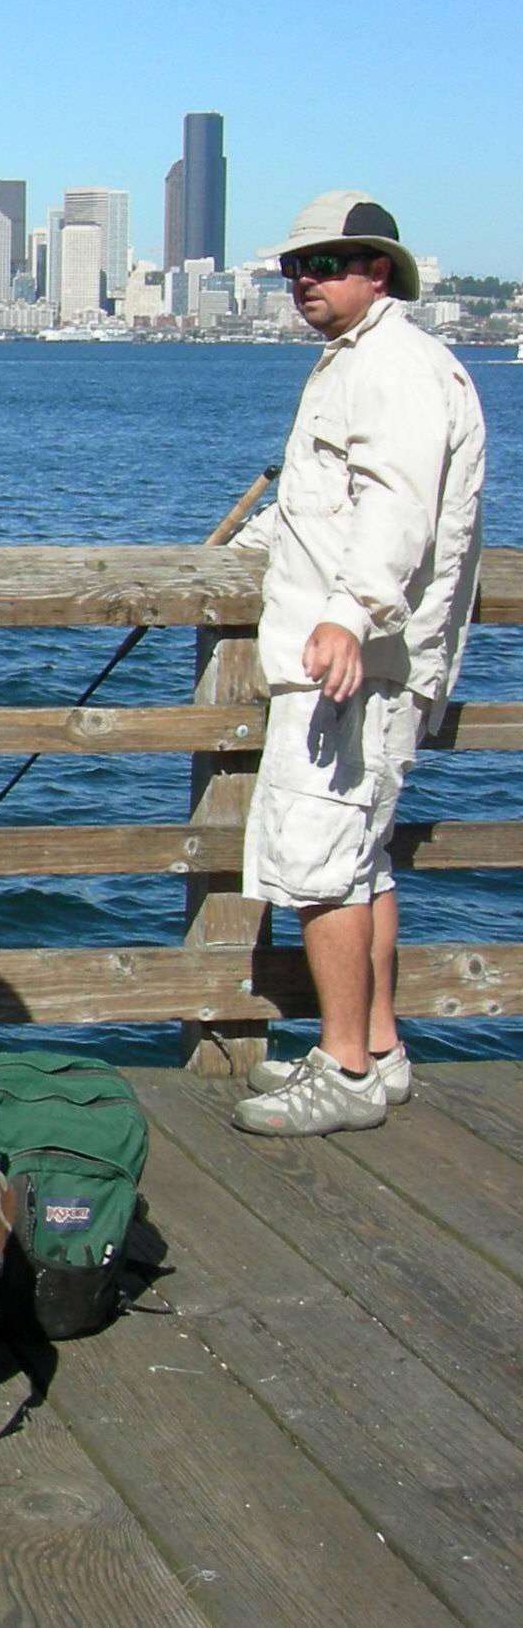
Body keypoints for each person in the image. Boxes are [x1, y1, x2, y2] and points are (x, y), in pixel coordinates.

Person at [231, 193, 485, 1136]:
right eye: (296, 266)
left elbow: (396, 508)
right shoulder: (376, 360)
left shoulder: (390, 368)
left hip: (350, 661)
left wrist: (346, 613)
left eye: (328, 264)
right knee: (364, 859)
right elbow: (326, 503)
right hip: (367, 657)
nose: (305, 280)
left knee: (319, 863)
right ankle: (376, 1050)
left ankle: (337, 1067)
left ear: (377, 271)